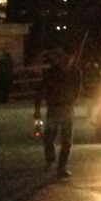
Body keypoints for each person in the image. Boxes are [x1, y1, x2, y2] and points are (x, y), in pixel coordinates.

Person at [34, 49, 79, 178]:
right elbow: (41, 90)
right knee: (49, 137)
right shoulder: (51, 73)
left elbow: (77, 91)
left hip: (67, 108)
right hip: (54, 108)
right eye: (63, 57)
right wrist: (37, 108)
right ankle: (50, 158)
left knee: (66, 140)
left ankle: (61, 166)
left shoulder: (76, 73)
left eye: (69, 57)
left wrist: (69, 99)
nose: (66, 60)